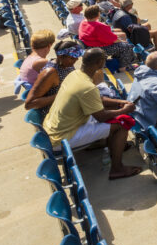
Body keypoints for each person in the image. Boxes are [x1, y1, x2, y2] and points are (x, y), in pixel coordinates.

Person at [41, 47, 141, 180]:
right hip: (62, 138)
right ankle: (117, 168)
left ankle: (115, 145)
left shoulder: (75, 75)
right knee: (122, 123)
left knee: (115, 116)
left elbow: (96, 99)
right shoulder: (87, 87)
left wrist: (119, 102)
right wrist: (124, 110)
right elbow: (101, 116)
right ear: (100, 62)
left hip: (52, 129)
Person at [24, 40, 83, 112]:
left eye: (77, 57)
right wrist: (63, 94)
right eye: (72, 58)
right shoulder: (50, 73)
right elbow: (29, 104)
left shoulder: (67, 64)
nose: (76, 59)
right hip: (55, 112)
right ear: (60, 56)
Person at [78, 4, 137, 70]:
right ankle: (123, 67)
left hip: (89, 45)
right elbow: (113, 40)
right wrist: (122, 41)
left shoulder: (83, 22)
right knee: (127, 46)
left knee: (120, 36)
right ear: (97, 14)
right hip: (97, 49)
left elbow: (105, 36)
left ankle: (119, 59)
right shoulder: (99, 26)